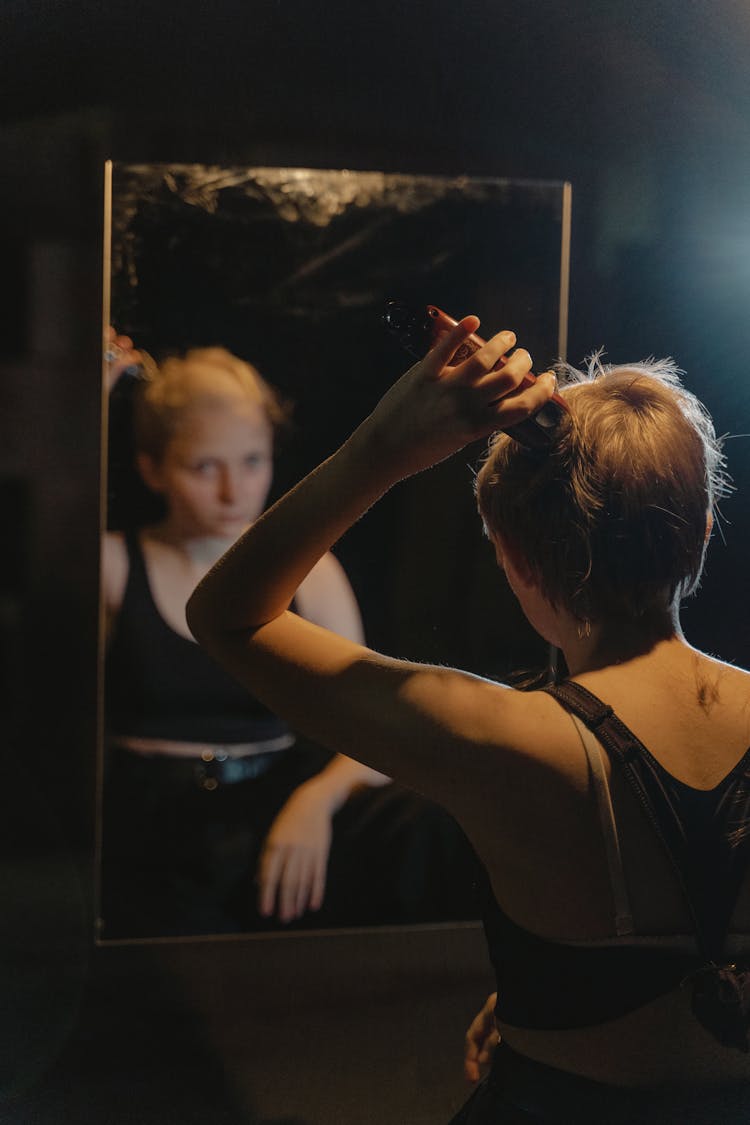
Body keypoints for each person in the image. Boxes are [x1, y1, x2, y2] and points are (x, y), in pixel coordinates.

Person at [186, 316, 750, 1122]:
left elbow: (226, 616)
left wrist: (384, 448)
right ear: (701, 530)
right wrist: (567, 989)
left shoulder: (498, 737)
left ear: (512, 556)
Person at [100, 339, 478, 938]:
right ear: (153, 468)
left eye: (252, 462)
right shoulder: (115, 566)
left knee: (429, 823)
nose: (234, 491)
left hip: (269, 810)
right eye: (204, 467)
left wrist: (318, 801)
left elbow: (374, 729)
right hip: (148, 823)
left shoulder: (308, 568)